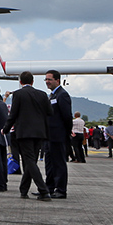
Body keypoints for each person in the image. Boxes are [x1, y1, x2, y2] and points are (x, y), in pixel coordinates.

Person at [3, 71, 52, 201]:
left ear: (20, 82)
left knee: (29, 161)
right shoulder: (42, 94)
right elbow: (49, 112)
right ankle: (23, 189)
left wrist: (6, 128)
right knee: (32, 161)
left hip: (24, 133)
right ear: (32, 81)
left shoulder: (18, 94)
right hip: (39, 132)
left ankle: (43, 190)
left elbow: (13, 114)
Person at [43, 70, 71, 199]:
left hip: (58, 135)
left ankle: (60, 189)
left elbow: (67, 116)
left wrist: (65, 134)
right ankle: (49, 188)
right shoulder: (52, 96)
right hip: (49, 135)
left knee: (59, 163)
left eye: (50, 79)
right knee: (49, 163)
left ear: (57, 81)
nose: (47, 82)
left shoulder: (62, 95)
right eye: (46, 80)